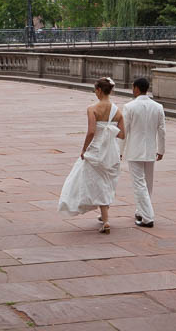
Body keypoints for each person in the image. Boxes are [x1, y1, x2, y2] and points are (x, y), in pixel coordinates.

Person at [58, 77, 125, 234]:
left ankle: (106, 219)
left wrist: (84, 149)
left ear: (99, 90)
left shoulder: (92, 109)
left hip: (96, 149)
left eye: (95, 90)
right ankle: (104, 215)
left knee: (96, 182)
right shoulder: (118, 111)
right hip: (112, 150)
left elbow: (91, 132)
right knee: (107, 181)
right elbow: (122, 135)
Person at [122, 77, 166, 228]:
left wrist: (120, 151)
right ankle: (141, 211)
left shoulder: (129, 107)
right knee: (148, 183)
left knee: (139, 183)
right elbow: (162, 131)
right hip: (150, 149)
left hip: (134, 149)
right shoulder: (158, 107)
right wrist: (161, 149)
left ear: (136, 88)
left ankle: (147, 216)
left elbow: (124, 131)